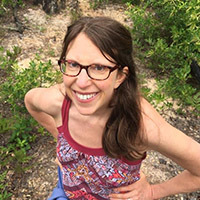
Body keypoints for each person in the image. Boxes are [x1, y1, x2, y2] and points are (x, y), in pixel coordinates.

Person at [24, 16, 200, 200]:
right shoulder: (58, 102)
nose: (82, 82)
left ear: (120, 77)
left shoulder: (140, 126)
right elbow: (31, 102)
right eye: (74, 64)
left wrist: (154, 191)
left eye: (99, 67)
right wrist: (60, 140)